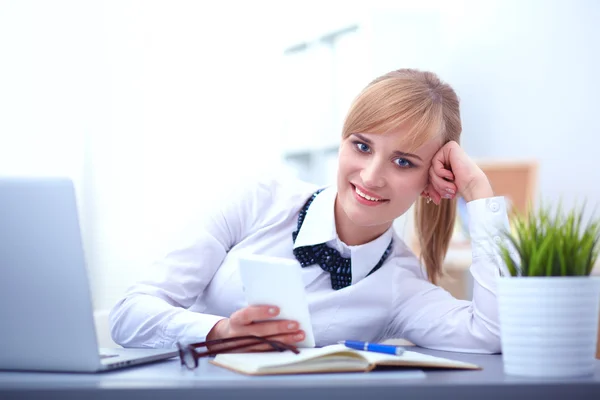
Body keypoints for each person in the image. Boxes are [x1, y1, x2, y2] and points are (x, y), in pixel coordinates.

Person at [109, 68, 510, 354]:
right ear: (342, 142)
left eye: (403, 162)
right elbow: (129, 314)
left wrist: (479, 193)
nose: (371, 177)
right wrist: (219, 331)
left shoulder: (401, 285)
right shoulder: (258, 201)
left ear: (430, 181)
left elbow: (491, 333)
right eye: (362, 146)